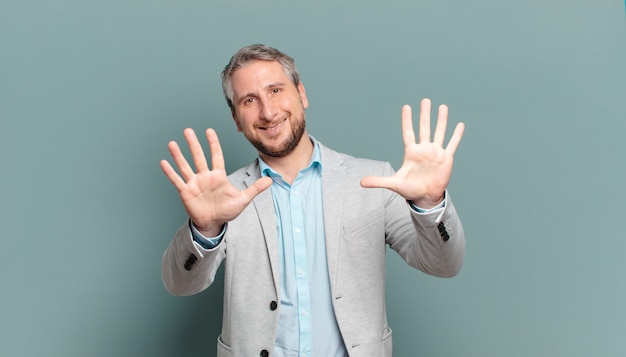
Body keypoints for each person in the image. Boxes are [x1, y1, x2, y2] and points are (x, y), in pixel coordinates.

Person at [161, 44, 466, 357]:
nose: (268, 111)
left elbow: (445, 264)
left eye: (276, 90)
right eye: (249, 100)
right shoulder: (226, 196)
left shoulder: (374, 180)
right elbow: (180, 284)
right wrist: (206, 228)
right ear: (237, 119)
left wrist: (430, 204)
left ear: (301, 94)